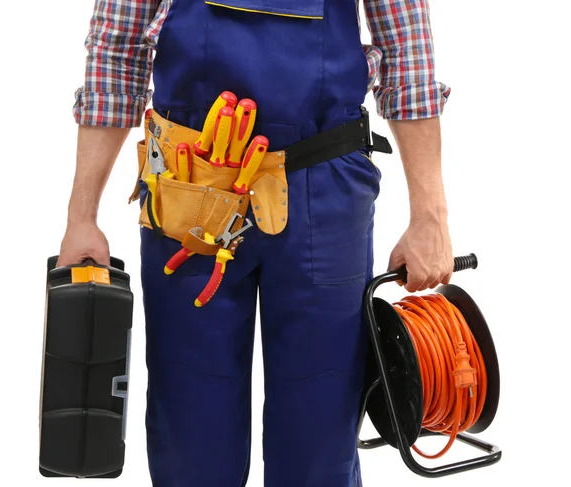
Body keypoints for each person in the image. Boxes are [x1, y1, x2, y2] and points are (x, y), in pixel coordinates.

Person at [58, 0, 454, 485]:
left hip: (324, 188)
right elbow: (115, 51)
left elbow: (406, 51)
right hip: (192, 183)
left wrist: (429, 217)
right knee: (190, 439)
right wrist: (82, 216)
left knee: (321, 441)